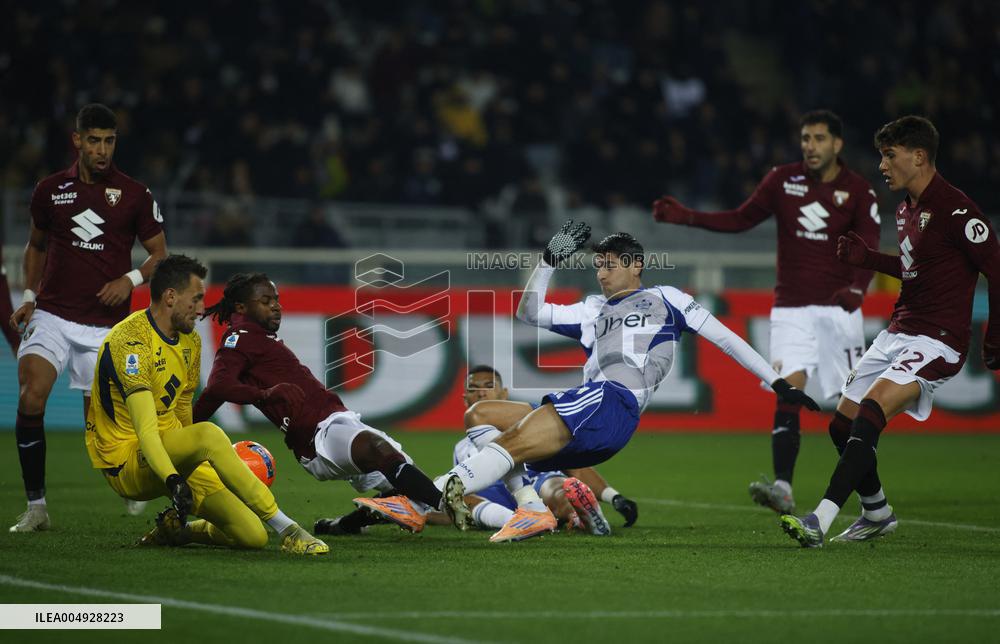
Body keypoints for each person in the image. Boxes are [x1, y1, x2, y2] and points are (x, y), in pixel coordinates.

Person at [437, 223, 819, 542]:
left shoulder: (666, 299)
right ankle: (531, 509)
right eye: (597, 266)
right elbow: (529, 312)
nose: (601, 274)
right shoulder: (591, 310)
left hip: (609, 400)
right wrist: (549, 260)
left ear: (636, 265)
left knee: (511, 442)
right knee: (494, 430)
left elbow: (726, 339)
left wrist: (778, 382)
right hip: (597, 418)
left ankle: (443, 490)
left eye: (610, 265)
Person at [779, 116, 1000, 547]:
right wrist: (869, 260)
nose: (882, 165)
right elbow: (914, 270)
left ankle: (819, 519)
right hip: (900, 329)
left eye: (889, 155)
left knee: (872, 410)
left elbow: (996, 267)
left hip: (938, 338)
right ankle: (877, 511)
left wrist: (995, 334)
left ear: (918, 157)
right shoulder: (905, 210)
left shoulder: (957, 211)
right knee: (841, 426)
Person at [651, 110, 880, 514]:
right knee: (787, 389)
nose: (810, 146)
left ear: (837, 145)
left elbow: (870, 247)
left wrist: (858, 291)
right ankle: (784, 487)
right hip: (790, 308)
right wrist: (686, 216)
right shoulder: (781, 180)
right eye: (805, 138)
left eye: (819, 139)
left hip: (840, 313)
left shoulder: (859, 191)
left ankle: (871, 502)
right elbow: (741, 219)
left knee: (851, 415)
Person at [87, 255, 327, 555]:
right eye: (197, 299)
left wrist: (197, 463)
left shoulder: (191, 342)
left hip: (172, 453)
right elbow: (147, 432)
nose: (203, 309)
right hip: (128, 460)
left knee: (251, 535)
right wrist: (174, 479)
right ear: (171, 297)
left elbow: (184, 413)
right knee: (209, 434)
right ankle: (290, 530)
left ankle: (177, 531)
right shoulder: (130, 342)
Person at [9, 103, 168, 532]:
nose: (102, 150)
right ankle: (37, 507)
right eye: (94, 140)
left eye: (110, 141)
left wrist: (129, 278)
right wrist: (27, 295)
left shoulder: (135, 194)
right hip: (54, 315)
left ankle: (136, 488)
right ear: (77, 140)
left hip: (106, 326)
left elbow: (159, 254)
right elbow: (36, 246)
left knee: (105, 430)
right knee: (30, 396)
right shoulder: (49, 190)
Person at [192, 272, 450, 534]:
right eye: (266, 300)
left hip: (337, 422)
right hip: (318, 433)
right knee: (382, 453)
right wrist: (264, 395)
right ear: (241, 307)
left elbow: (213, 394)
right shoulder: (240, 336)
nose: (276, 306)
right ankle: (446, 503)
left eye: (277, 299)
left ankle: (344, 526)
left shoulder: (256, 337)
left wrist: (188, 425)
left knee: (411, 492)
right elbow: (218, 387)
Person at [319, 365, 638, 536]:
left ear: (503, 393)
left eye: (488, 387)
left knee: (556, 486)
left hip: (538, 478)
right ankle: (526, 516)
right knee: (456, 501)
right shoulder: (463, 446)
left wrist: (613, 495)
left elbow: (576, 468)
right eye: (474, 388)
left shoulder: (534, 423)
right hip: (493, 496)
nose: (481, 392)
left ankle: (574, 514)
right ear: (464, 398)